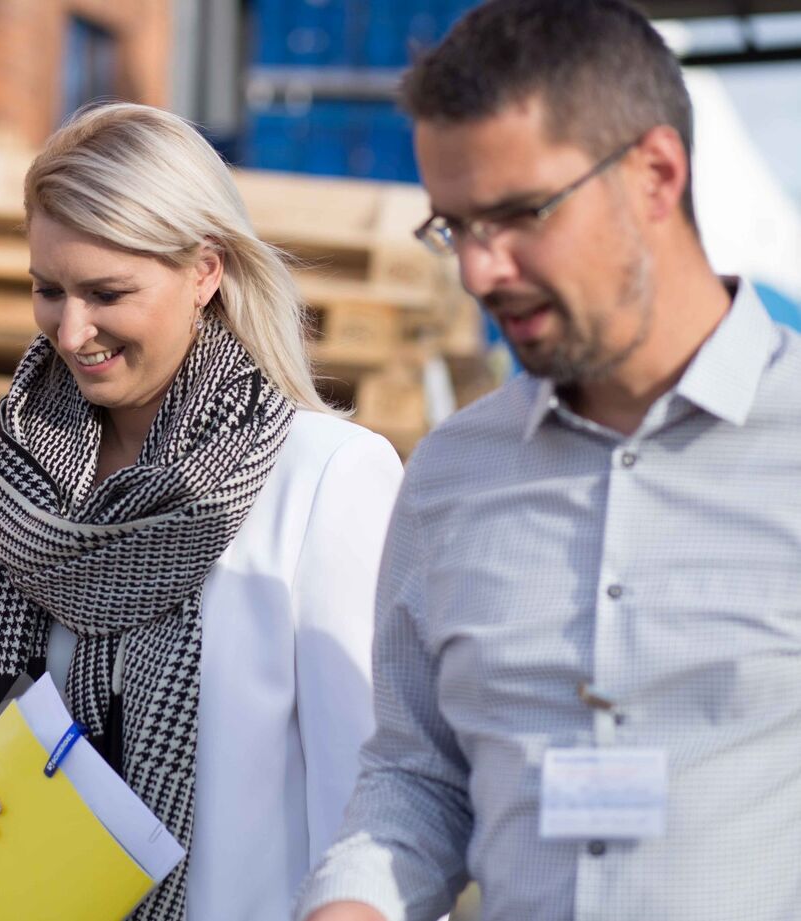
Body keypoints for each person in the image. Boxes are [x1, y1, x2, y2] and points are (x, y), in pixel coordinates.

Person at [297, 2, 801, 921]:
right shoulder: (450, 474)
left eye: (519, 214)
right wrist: (354, 903)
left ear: (655, 174)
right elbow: (419, 777)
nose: (480, 272)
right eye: (454, 227)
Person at [0, 102, 403, 921]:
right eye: (47, 290)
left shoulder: (327, 478)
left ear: (205, 271)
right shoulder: (10, 459)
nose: (71, 329)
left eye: (107, 292)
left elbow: (380, 806)